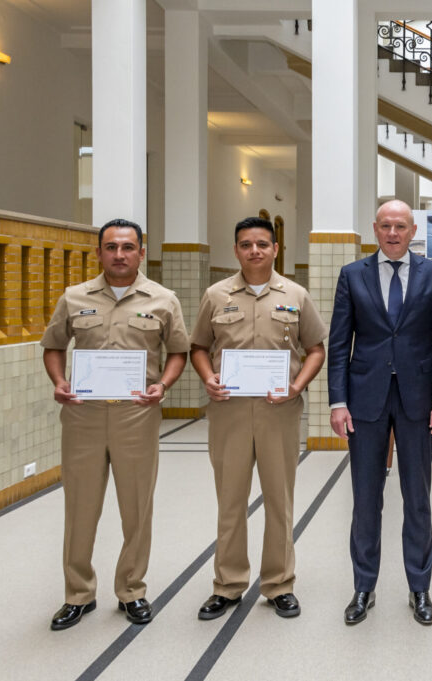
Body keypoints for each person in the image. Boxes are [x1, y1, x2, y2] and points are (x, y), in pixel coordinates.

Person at [42, 218, 189, 630]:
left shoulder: (163, 299)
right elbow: (53, 345)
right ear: (99, 252)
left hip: (136, 415)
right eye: (111, 247)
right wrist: (59, 381)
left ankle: (131, 591)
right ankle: (78, 594)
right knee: (80, 508)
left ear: (142, 251)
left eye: (128, 247)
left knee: (136, 507)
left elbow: (178, 351)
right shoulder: (74, 297)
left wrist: (162, 385)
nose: (119, 255)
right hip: (83, 416)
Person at [327, 199, 432, 626]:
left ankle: (419, 587)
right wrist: (337, 401)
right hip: (365, 399)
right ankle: (364, 586)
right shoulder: (352, 275)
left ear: (412, 228)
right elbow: (338, 344)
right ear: (374, 228)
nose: (392, 233)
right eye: (385, 225)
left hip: (419, 401)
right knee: (366, 499)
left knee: (418, 498)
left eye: (400, 226)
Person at [190, 217, 327, 621]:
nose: (254, 251)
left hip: (278, 412)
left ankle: (279, 584)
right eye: (246, 244)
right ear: (236, 250)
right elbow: (198, 346)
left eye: (262, 244)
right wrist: (208, 377)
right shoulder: (216, 295)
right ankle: (228, 585)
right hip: (229, 412)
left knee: (279, 500)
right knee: (230, 501)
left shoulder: (296, 295)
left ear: (275, 249)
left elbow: (316, 348)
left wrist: (296, 385)